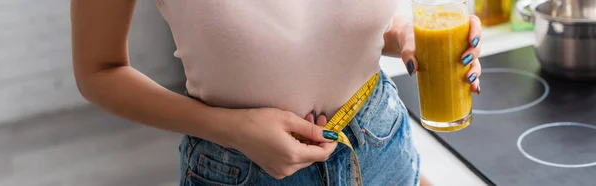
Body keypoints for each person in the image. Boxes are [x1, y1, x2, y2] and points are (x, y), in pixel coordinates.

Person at [70, 0, 482, 185]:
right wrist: (229, 127)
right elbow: (99, 71)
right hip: (246, 172)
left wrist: (404, 33)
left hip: (383, 148)